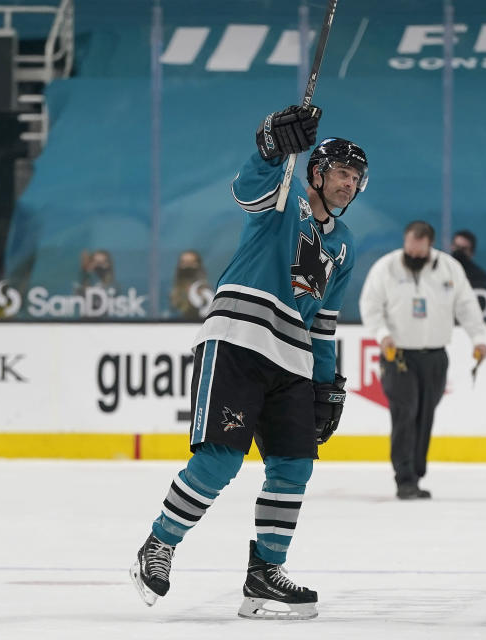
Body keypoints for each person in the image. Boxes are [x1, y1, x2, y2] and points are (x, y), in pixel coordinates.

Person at [130, 104, 366, 620]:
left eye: (356, 177)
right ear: (317, 172)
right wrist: (271, 144)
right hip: (239, 339)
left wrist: (324, 387)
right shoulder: (284, 198)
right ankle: (159, 544)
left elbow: (323, 325)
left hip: (293, 360)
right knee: (220, 459)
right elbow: (247, 189)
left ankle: (264, 574)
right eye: (341, 172)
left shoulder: (345, 246)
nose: (348, 183)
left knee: (294, 467)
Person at [359, 221, 486, 500]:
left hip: (435, 356)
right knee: (405, 412)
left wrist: (479, 338)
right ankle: (404, 478)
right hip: (398, 355)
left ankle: (415, 474)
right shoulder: (386, 268)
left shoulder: (449, 268)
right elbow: (370, 306)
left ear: (430, 246)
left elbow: (466, 305)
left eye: (419, 253)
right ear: (405, 243)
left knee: (425, 414)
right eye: (409, 250)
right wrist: (382, 335)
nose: (413, 256)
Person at [169, 250, 215, 320]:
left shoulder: (208, 290)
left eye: (192, 262)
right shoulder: (171, 292)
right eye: (184, 262)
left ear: (199, 265)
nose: (188, 266)